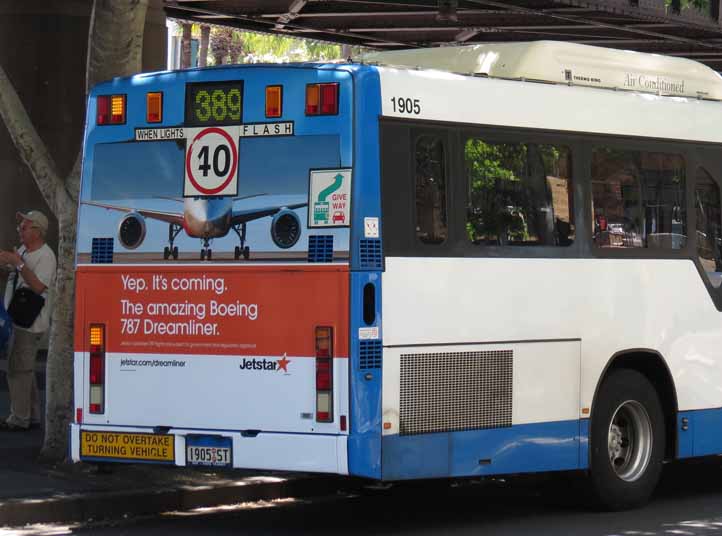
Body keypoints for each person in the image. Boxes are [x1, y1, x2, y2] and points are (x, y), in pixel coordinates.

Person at [0, 211, 56, 431]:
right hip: (17, 318)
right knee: (25, 369)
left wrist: (18, 263)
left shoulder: (46, 256)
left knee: (17, 369)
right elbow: (16, 275)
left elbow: (40, 287)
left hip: (30, 322)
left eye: (24, 227)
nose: (19, 231)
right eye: (19, 227)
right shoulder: (24, 251)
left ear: (37, 231)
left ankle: (19, 418)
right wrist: (8, 264)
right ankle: (30, 415)